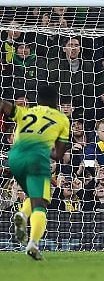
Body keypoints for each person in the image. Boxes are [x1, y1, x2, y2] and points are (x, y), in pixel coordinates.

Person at [2, 85, 70, 260]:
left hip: (15, 157)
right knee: (40, 204)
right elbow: (58, 155)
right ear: (57, 101)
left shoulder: (26, 111)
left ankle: (22, 214)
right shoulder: (62, 119)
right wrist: (47, 147)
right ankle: (32, 243)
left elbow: (3, 105)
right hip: (37, 158)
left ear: (38, 100)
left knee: (33, 196)